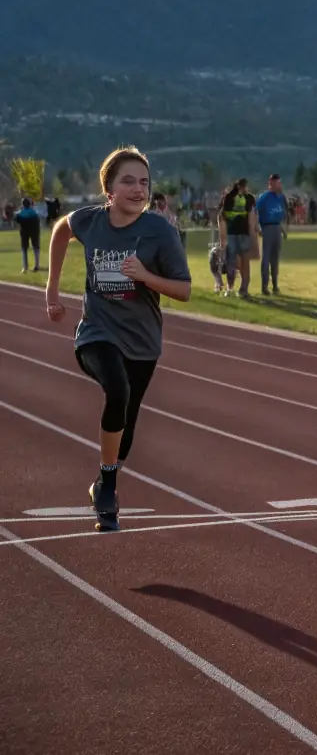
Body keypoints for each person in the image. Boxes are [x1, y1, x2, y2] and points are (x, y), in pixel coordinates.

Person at [43, 146, 191, 531]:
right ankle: (108, 487)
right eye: (128, 181)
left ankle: (104, 479)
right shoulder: (91, 221)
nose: (138, 189)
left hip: (142, 341)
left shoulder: (159, 231)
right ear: (109, 188)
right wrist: (52, 290)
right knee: (118, 390)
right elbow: (62, 229)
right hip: (96, 334)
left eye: (144, 182)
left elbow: (184, 290)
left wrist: (145, 276)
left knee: (127, 416)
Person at [218, 178, 257, 298]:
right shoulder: (229, 198)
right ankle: (232, 288)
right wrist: (223, 239)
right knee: (233, 262)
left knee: (242, 262)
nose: (246, 189)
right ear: (240, 187)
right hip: (233, 234)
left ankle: (242, 288)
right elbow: (222, 217)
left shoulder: (249, 198)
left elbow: (252, 217)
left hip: (241, 234)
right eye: (245, 186)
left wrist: (253, 235)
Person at [256, 172, 289, 295]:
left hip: (276, 228)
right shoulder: (264, 197)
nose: (280, 185)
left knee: (275, 259)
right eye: (278, 183)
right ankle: (264, 286)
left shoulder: (280, 198)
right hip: (267, 228)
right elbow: (255, 211)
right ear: (271, 184)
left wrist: (282, 230)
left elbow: (279, 215)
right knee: (267, 258)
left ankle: (275, 286)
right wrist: (258, 226)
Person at [15, 196, 41, 273]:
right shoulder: (34, 212)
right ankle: (37, 265)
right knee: (36, 248)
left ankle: (25, 267)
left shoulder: (20, 213)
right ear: (29, 204)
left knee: (24, 249)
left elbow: (17, 220)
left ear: (23, 205)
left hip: (24, 232)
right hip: (34, 231)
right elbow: (38, 221)